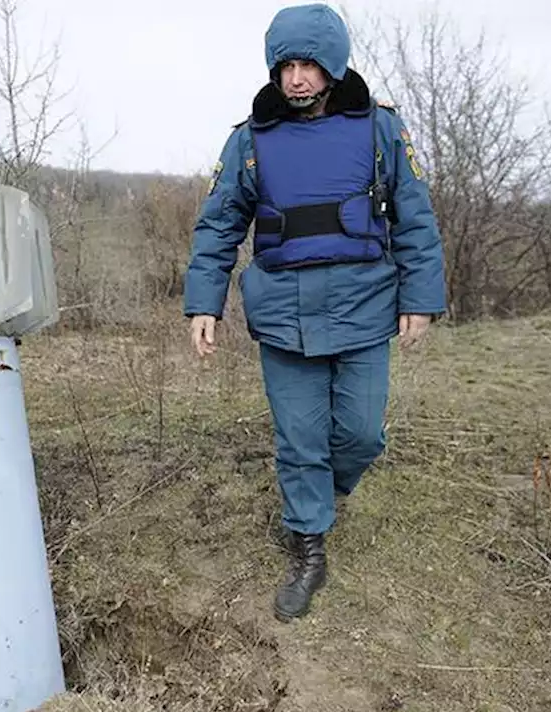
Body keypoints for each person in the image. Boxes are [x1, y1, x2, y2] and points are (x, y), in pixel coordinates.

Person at [182, 3, 447, 622]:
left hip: (363, 306)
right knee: (300, 439)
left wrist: (421, 297)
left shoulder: (380, 129)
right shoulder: (249, 140)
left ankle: (321, 495)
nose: (297, 78)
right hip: (284, 313)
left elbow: (413, 214)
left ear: (333, 65)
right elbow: (219, 224)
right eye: (287, 66)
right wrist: (205, 304)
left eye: (309, 65)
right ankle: (307, 548)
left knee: (361, 434)